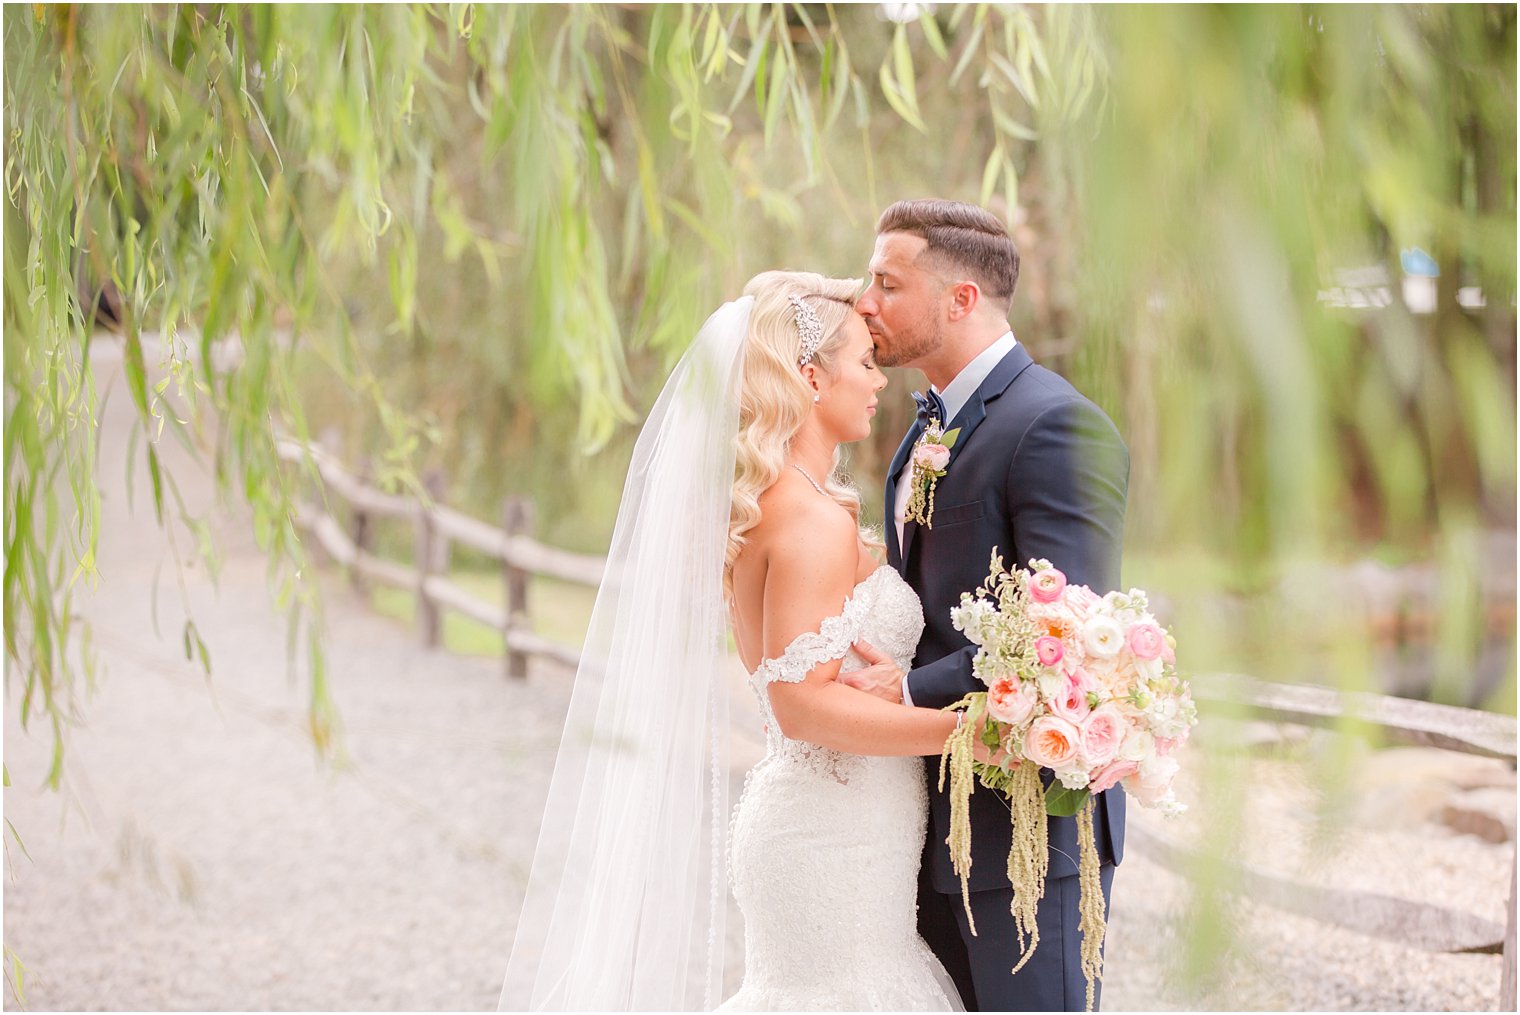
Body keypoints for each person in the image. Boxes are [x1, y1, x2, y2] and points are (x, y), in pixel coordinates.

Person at [500, 270, 969, 1011]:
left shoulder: (781, 502)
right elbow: (800, 708)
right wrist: (967, 733)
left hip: (835, 823)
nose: (881, 380)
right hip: (832, 834)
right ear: (810, 377)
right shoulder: (811, 520)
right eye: (864, 362)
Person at [843, 198, 1130, 1012]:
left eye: (887, 283)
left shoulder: (1057, 427)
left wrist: (902, 690)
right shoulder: (926, 427)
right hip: (922, 818)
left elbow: (1058, 636)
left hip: (1026, 828)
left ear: (961, 299)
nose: (865, 301)